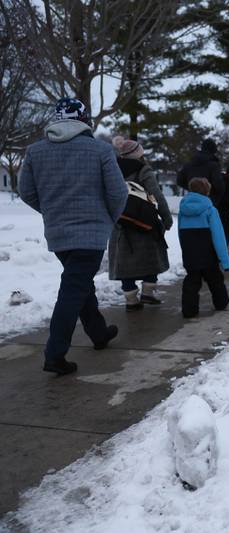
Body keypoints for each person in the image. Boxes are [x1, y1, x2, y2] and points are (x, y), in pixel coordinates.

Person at [18, 97, 127, 375]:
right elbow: (118, 193)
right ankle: (55, 355)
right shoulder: (101, 150)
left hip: (58, 234)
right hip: (90, 234)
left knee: (78, 283)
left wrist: (52, 211)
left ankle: (99, 333)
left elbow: (27, 192)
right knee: (72, 289)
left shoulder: (35, 151)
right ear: (84, 120)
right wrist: (106, 219)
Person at [108, 136, 173, 311]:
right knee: (152, 257)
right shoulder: (144, 170)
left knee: (124, 262)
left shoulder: (111, 170)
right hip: (144, 222)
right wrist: (166, 218)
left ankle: (131, 300)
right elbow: (157, 196)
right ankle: (148, 293)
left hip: (120, 222)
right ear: (138, 154)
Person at [178, 178, 229, 318]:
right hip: (208, 254)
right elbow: (218, 236)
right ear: (207, 191)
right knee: (215, 280)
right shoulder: (210, 210)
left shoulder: (183, 210)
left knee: (191, 282)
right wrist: (225, 262)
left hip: (190, 253)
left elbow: (180, 234)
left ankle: (189, 310)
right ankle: (221, 303)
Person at [177, 139, 225, 207]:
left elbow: (179, 181)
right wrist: (216, 198)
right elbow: (218, 185)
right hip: (209, 201)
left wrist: (192, 188)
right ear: (213, 151)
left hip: (192, 201)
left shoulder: (189, 164)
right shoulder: (214, 165)